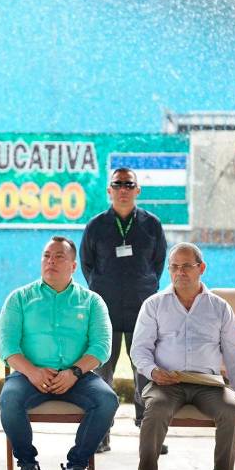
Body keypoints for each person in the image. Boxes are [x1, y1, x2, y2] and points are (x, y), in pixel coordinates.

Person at [131, 242, 235, 470]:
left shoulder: (219, 307)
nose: (180, 272)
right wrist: (153, 372)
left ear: (202, 268)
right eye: (174, 267)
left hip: (208, 384)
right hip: (166, 382)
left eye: (187, 266)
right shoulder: (154, 305)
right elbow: (139, 350)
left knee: (232, 411)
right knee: (156, 411)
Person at [0, 236, 118, 470]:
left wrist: (74, 372)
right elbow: (7, 347)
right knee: (9, 399)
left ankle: (75, 469)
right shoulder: (19, 298)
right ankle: (28, 467)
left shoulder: (92, 301)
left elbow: (101, 347)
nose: (51, 261)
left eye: (59, 257)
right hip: (29, 374)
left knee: (107, 400)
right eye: (46, 256)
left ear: (73, 266)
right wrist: (32, 371)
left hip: (78, 376)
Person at [80, 166, 167, 453]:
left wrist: (146, 286)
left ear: (137, 190)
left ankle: (149, 434)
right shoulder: (96, 226)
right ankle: (100, 434)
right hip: (105, 312)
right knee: (101, 374)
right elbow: (87, 264)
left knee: (145, 372)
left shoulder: (151, 224)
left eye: (129, 184)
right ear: (109, 190)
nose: (123, 189)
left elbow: (158, 262)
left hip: (143, 311)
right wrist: (101, 288)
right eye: (118, 184)